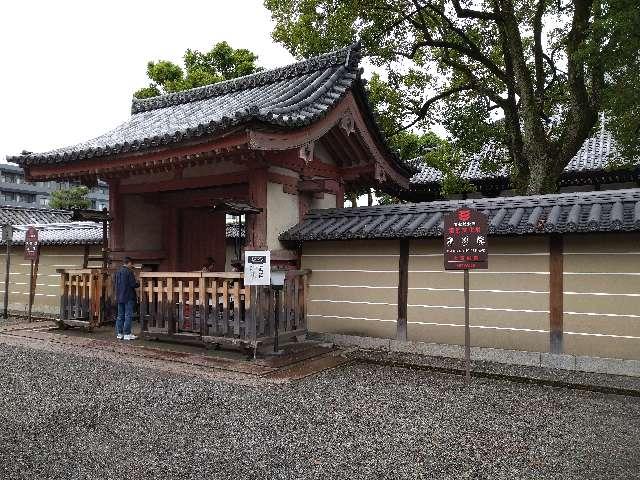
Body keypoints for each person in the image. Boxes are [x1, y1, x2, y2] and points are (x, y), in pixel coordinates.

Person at [114, 256, 139, 340]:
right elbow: (133, 284)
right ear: (129, 263)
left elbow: (116, 284)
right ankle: (127, 334)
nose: (132, 265)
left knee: (120, 315)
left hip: (119, 296)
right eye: (131, 264)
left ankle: (119, 333)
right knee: (128, 315)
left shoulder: (118, 272)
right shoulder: (129, 272)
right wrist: (139, 283)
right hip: (128, 296)